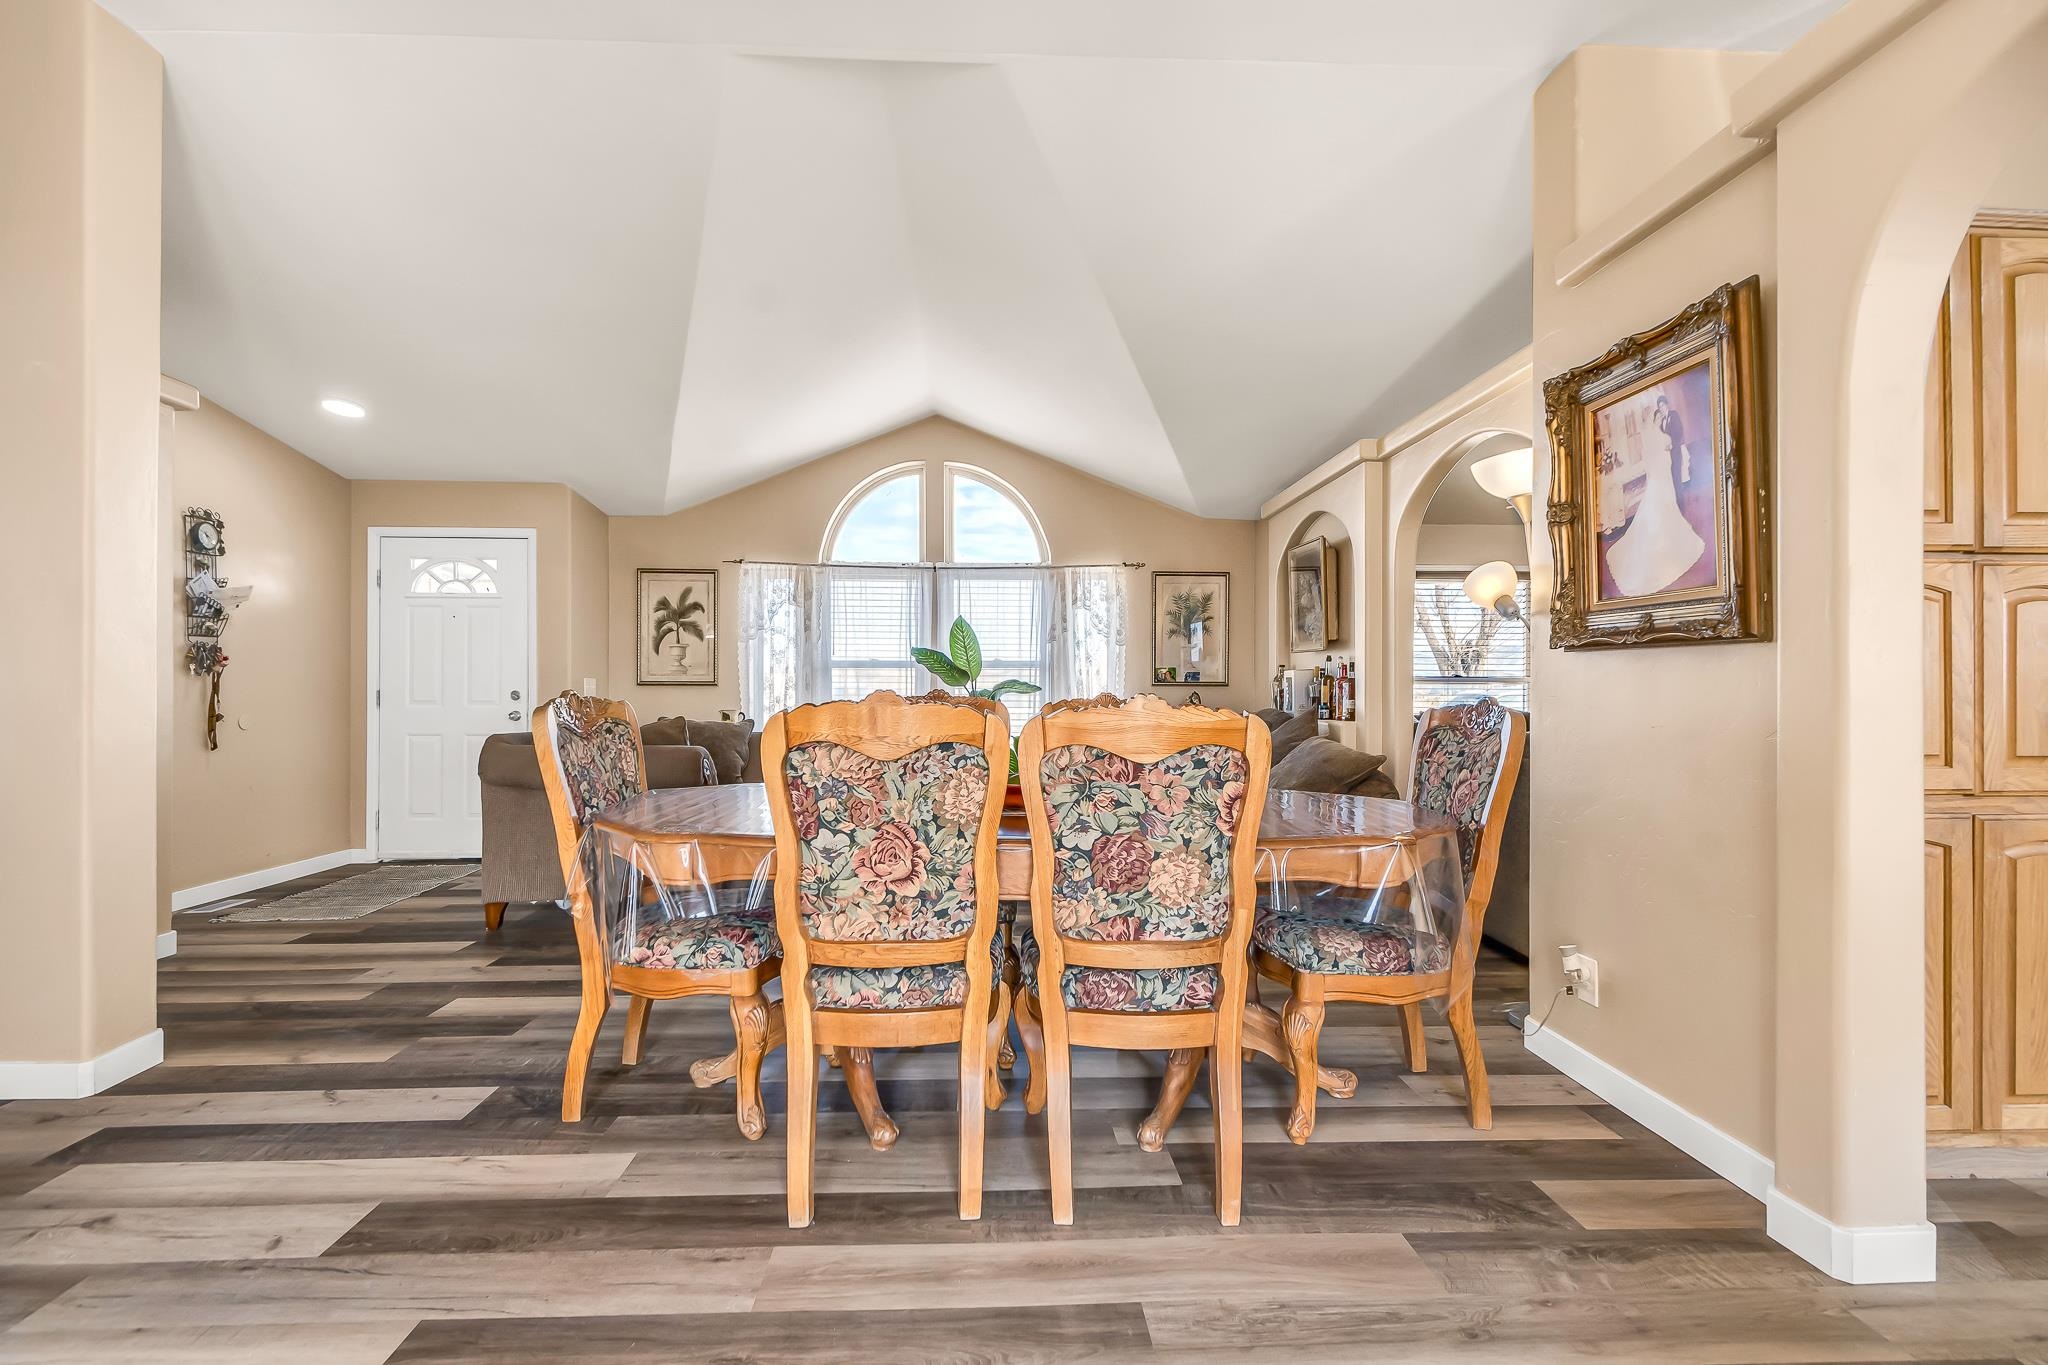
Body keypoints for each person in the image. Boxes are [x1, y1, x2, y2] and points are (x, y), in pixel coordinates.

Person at [1605, 394, 1705, 598]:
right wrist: (1662, 460)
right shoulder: (1655, 435)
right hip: (1661, 476)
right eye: (1657, 415)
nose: (1660, 417)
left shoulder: (1667, 425)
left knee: (1669, 501)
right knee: (1662, 505)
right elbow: (1655, 456)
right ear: (1654, 418)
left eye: (1661, 413)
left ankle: (1676, 520)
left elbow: (1674, 440)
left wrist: (1667, 453)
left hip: (1665, 473)